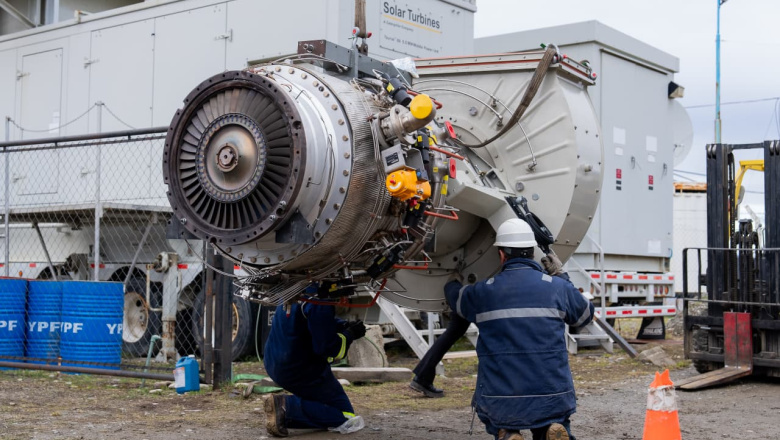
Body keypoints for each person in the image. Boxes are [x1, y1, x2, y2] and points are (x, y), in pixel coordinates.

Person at [444, 218, 594, 440]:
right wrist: (561, 275)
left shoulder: (483, 293)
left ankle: (507, 433)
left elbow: (455, 300)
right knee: (552, 418)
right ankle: (548, 431)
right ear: (532, 252)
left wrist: (453, 280)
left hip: (501, 398)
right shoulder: (557, 288)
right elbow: (585, 315)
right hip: (552, 395)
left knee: (497, 414)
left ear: (502, 255)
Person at [262, 291, 367, 437]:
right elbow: (328, 348)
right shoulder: (321, 299)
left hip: (274, 363)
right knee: (345, 415)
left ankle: (281, 414)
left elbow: (312, 322)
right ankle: (287, 407)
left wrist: (343, 325)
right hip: (301, 371)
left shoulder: (296, 286)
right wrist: (350, 334)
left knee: (320, 405)